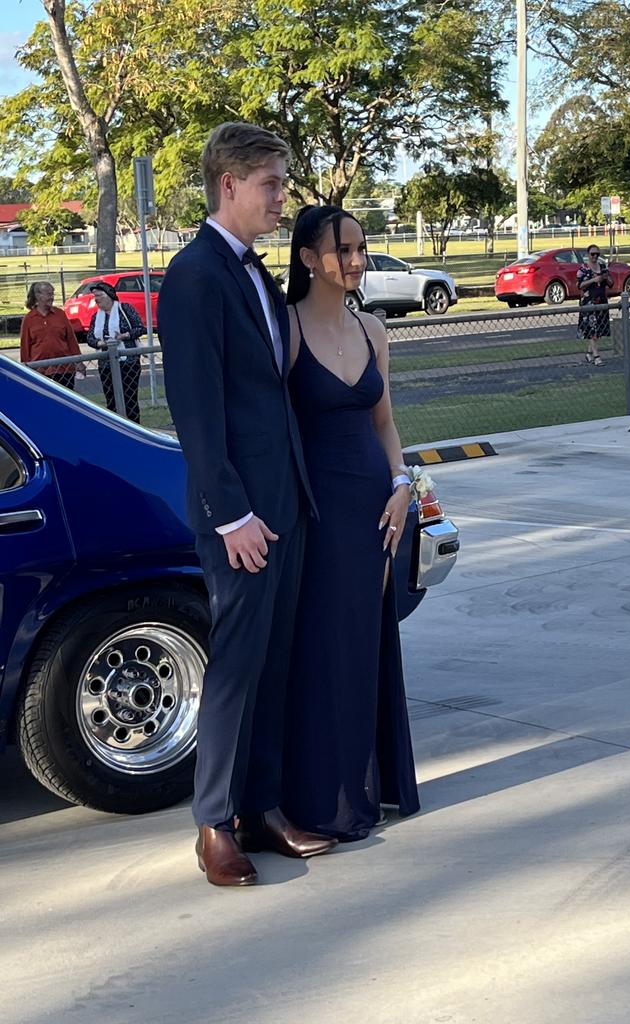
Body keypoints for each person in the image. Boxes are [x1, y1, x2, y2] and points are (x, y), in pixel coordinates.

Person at [157, 122, 336, 887]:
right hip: (240, 519)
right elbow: (197, 410)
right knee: (235, 669)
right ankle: (214, 824)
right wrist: (231, 515)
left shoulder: (255, 276)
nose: (281, 197)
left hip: (284, 504)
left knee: (275, 663)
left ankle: (262, 808)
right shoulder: (195, 275)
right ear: (229, 184)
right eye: (271, 184)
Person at [281, 205, 419, 842]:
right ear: (309, 258)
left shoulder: (373, 330)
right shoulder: (284, 329)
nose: (359, 260)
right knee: (323, 651)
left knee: (367, 643)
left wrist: (401, 484)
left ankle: (377, 786)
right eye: (346, 249)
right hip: (317, 511)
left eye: (363, 247)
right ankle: (324, 800)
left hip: (376, 507)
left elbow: (384, 424)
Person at [85, 281, 145, 422]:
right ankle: (116, 426)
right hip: (106, 363)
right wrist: (100, 343)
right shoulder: (96, 316)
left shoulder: (125, 309)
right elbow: (90, 337)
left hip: (128, 362)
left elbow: (139, 328)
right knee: (111, 399)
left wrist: (123, 336)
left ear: (109, 295)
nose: (96, 299)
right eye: (94, 296)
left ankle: (134, 426)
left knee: (129, 397)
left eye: (99, 295)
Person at [20, 281, 83, 388]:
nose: (52, 297)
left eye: (52, 294)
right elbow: (25, 347)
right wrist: (25, 370)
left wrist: (78, 362)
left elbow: (71, 340)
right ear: (38, 296)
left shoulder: (60, 314)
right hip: (40, 371)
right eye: (49, 294)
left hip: (64, 369)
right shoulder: (29, 319)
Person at [577, 245, 613, 366]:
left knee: (599, 331)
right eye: (593, 254)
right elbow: (580, 285)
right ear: (588, 254)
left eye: (597, 254)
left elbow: (611, 284)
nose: (595, 257)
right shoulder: (583, 269)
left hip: (602, 301)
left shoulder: (603, 267)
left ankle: (588, 353)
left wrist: (605, 278)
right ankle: (597, 356)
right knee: (592, 330)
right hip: (589, 302)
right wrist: (593, 280)